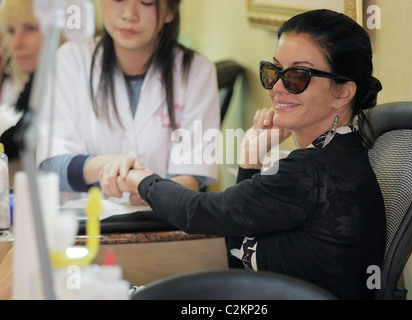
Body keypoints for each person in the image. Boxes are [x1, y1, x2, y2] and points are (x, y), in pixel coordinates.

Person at [111, 9, 386, 300]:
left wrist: (141, 179)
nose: (277, 88)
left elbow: (196, 213)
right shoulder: (336, 155)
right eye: (274, 71)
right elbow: (238, 247)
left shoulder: (312, 172)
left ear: (343, 93)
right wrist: (251, 159)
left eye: (297, 76)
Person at [37, 0, 220, 198]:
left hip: (160, 220)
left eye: (147, 2)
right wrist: (111, 166)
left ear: (170, 10)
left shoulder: (196, 71)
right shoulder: (69, 61)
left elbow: (192, 176)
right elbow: (50, 165)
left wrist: (151, 191)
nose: (129, 14)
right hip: (85, 221)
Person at [0, 0, 43, 179]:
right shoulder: (36, 81)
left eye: (30, 28)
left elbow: (14, 140)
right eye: (11, 31)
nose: (17, 42)